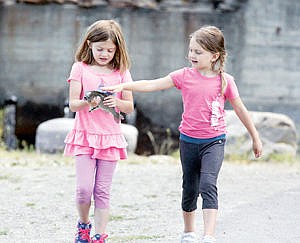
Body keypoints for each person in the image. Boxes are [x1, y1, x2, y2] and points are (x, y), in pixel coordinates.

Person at [102, 25, 263, 243]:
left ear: (214, 55)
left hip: (214, 141)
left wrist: (255, 137)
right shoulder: (183, 76)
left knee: (208, 184)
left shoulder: (226, 81)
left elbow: (240, 109)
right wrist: (121, 86)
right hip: (188, 141)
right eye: (191, 50)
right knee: (189, 188)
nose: (192, 55)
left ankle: (208, 236)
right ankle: (188, 232)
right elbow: (151, 84)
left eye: (198, 52)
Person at [63, 19, 134, 243]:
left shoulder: (121, 72)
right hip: (84, 135)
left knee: (102, 190)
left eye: (110, 50)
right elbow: (73, 104)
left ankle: (99, 236)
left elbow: (129, 105)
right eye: (100, 49)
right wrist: (89, 100)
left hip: (110, 138)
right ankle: (83, 224)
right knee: (84, 189)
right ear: (89, 45)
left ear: (117, 49)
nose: (104, 54)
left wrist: (116, 102)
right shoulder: (80, 68)